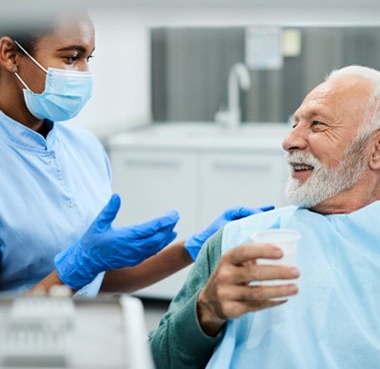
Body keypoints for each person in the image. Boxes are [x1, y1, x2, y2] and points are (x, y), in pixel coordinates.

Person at [0, 13, 273, 296]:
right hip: (22, 340)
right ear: (10, 55)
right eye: (70, 58)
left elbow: (100, 278)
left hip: (84, 329)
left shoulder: (85, 148)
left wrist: (195, 246)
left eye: (88, 59)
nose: (83, 73)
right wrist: (76, 268)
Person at [149, 65, 380, 369]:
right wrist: (205, 309)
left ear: (376, 150)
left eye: (317, 125)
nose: (289, 141)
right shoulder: (236, 245)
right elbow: (156, 360)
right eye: (294, 123)